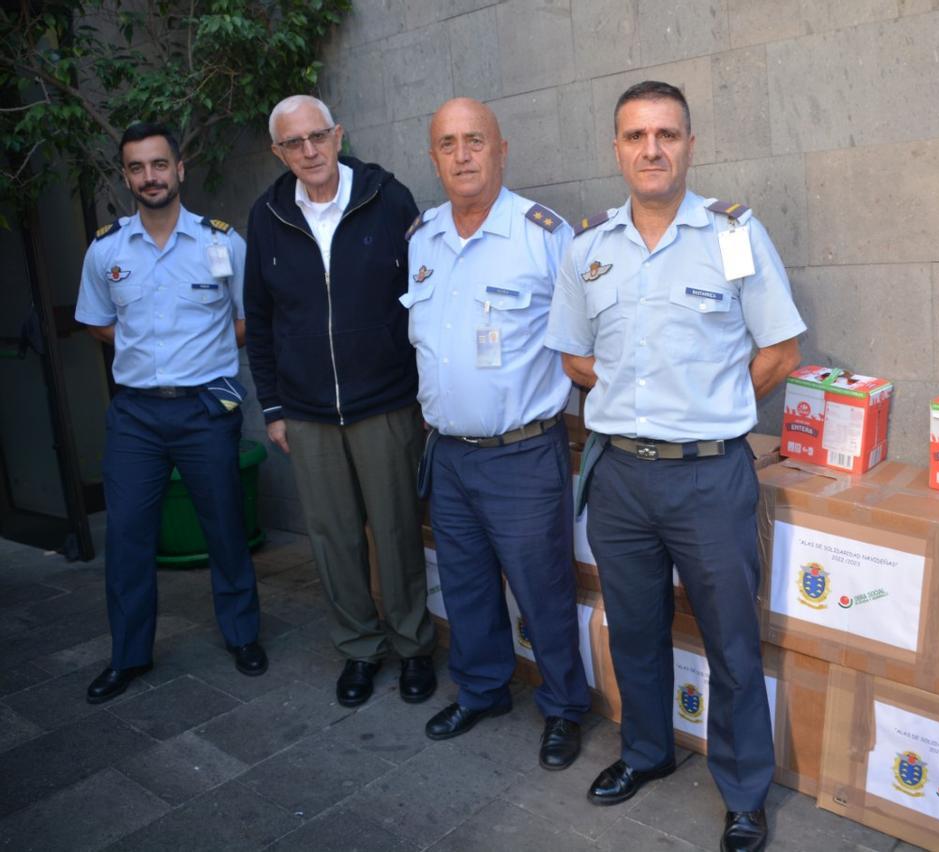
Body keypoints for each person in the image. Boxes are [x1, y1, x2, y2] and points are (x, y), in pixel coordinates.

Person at [546, 81, 805, 852]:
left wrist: (708, 403)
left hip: (708, 475)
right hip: (620, 475)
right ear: (616, 149)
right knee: (634, 628)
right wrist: (637, 398)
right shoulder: (588, 248)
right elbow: (572, 355)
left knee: (730, 642)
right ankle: (647, 755)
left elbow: (781, 351)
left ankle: (744, 793)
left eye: (666, 133)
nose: (651, 149)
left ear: (690, 145)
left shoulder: (732, 235)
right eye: (635, 135)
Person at [405, 98, 590, 769]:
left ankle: (566, 707)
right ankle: (482, 690)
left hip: (521, 454)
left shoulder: (544, 235)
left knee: (542, 591)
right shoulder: (421, 239)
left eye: (475, 140)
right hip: (449, 454)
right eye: (448, 143)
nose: (462, 155)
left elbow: (587, 339)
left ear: (502, 150)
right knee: (465, 585)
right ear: (434, 158)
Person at [243, 95, 436, 708]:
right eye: (294, 143)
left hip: (385, 404)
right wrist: (273, 409)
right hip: (307, 414)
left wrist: (420, 394)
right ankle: (358, 648)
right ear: (279, 152)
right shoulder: (268, 215)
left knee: (399, 530)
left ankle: (412, 646)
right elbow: (262, 319)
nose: (309, 151)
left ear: (338, 135)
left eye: (318, 137)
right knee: (333, 539)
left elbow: (423, 300)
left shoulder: (387, 199)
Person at [76, 122, 267, 704]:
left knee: (225, 527)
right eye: (136, 168)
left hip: (206, 409)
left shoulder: (223, 241)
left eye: (159, 165)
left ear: (179, 169)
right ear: (126, 176)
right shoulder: (106, 250)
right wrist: (151, 359)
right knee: (128, 537)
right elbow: (100, 324)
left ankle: (242, 636)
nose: (149, 177)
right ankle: (128, 656)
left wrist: (199, 362)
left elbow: (245, 320)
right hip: (135, 415)